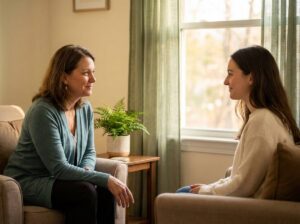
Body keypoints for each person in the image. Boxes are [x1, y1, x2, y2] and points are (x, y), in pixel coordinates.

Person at [4, 44, 134, 224]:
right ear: (64, 77)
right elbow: (58, 168)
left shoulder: (85, 108)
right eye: (86, 73)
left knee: (104, 190)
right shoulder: (43, 111)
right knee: (85, 192)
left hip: (58, 179)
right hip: (29, 181)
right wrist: (103, 178)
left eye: (93, 72)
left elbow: (89, 152)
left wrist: (88, 172)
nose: (93, 79)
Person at [177, 45, 300, 196]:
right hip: (242, 202)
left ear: (251, 78)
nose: (225, 81)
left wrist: (206, 190)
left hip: (245, 208)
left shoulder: (262, 121)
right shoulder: (268, 117)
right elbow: (240, 176)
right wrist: (210, 186)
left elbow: (243, 186)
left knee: (180, 194)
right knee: (185, 191)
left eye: (230, 74)